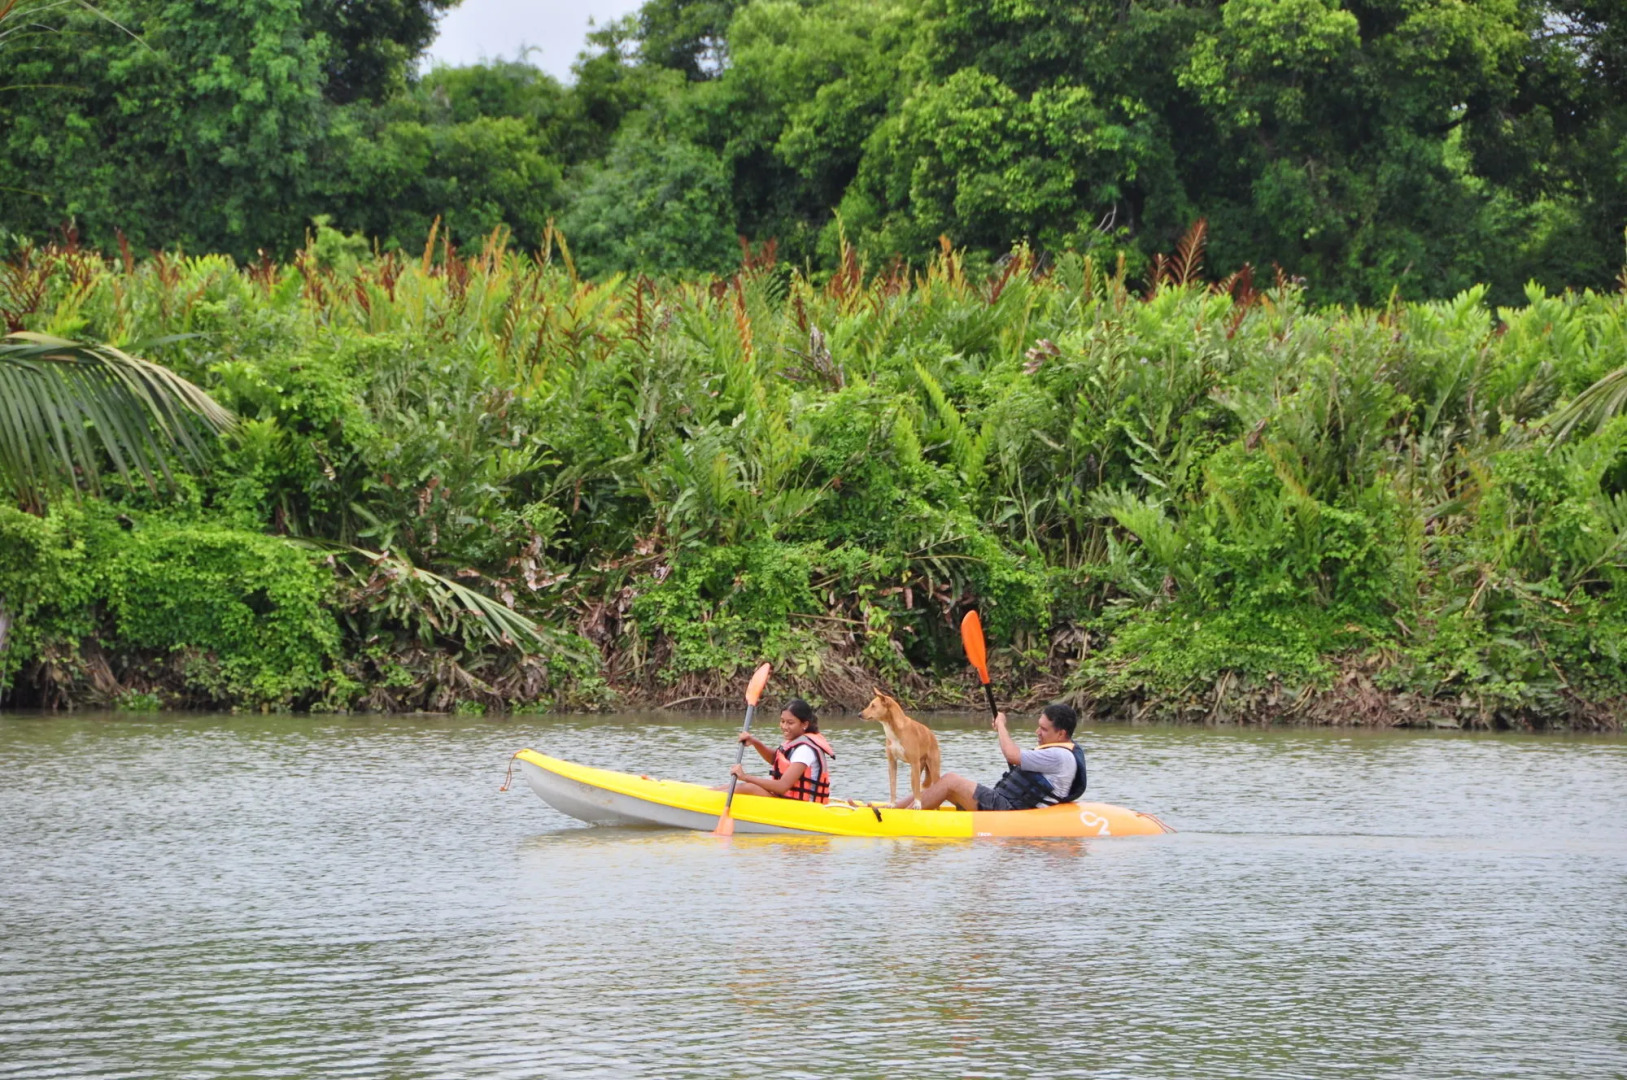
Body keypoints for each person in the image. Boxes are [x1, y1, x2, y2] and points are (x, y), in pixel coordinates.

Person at [893, 702, 1086, 811]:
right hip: (1006, 801)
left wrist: (1001, 725)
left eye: (1043, 729)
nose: (1037, 731)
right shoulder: (1057, 752)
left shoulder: (1059, 756)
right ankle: (893, 809)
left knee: (951, 780)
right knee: (942, 781)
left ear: (1061, 734)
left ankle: (901, 817)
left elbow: (1011, 754)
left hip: (1011, 810)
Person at [727, 698, 836, 803]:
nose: (784, 726)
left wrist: (745, 777)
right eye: (782, 721)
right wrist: (755, 742)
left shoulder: (805, 750)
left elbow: (782, 787)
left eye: (790, 723)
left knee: (748, 788)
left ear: (804, 724)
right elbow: (775, 759)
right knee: (730, 787)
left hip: (803, 808)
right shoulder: (795, 742)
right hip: (788, 801)